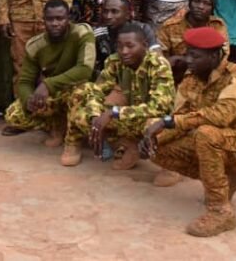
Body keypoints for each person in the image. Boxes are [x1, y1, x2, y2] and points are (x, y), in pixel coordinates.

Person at [140, 26, 236, 237]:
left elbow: (220, 116)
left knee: (206, 134)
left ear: (214, 56)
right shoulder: (191, 79)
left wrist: (169, 122)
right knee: (156, 143)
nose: (188, 60)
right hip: (218, 143)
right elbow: (181, 115)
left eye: (195, 56)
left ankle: (220, 212)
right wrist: (153, 137)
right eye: (187, 54)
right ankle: (227, 179)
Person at [63, 22, 174, 168]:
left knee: (154, 126)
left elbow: (159, 107)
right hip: (129, 116)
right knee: (84, 98)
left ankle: (170, 167)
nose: (124, 51)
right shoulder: (114, 61)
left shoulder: (158, 65)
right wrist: (96, 118)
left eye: (130, 46)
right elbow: (97, 90)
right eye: (120, 46)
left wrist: (114, 112)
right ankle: (127, 145)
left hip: (156, 119)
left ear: (144, 45)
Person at [1, 0, 95, 144]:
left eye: (60, 18)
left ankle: (74, 139)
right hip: (55, 94)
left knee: (82, 93)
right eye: (50, 19)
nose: (55, 23)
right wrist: (29, 100)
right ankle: (56, 125)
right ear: (43, 20)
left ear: (68, 18)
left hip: (78, 90)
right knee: (14, 115)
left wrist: (47, 85)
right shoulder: (35, 45)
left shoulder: (82, 33)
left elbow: (85, 70)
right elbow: (25, 81)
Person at [157, 0, 228, 84]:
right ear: (190, 3)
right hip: (176, 76)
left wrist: (185, 59)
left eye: (207, 3)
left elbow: (222, 55)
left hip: (207, 76)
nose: (201, 6)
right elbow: (160, 57)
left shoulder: (217, 25)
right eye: (197, 1)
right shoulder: (170, 26)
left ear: (212, 8)